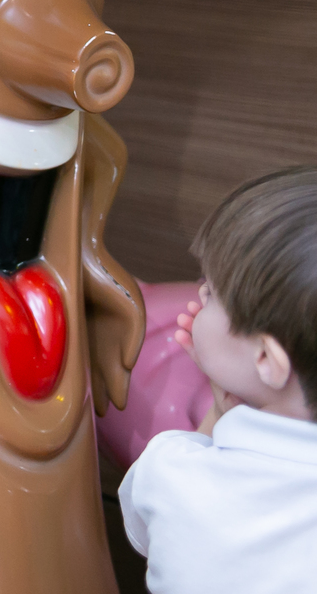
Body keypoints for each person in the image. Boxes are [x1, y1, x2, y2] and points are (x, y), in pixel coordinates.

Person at [119, 167, 317, 593]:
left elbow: (146, 534)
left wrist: (218, 409)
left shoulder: (173, 471)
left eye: (209, 293)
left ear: (265, 358)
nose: (197, 296)